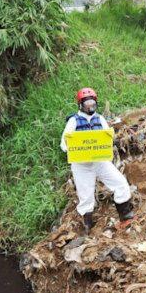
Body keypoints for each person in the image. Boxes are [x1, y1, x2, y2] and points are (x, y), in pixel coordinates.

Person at [60, 87, 135, 233]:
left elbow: (108, 137)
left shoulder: (99, 118)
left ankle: (125, 215)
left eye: (92, 103)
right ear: (80, 104)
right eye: (87, 103)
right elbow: (64, 144)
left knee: (120, 183)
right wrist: (78, 148)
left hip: (100, 162)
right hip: (81, 165)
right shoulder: (73, 121)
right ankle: (88, 226)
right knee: (85, 196)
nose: (90, 106)